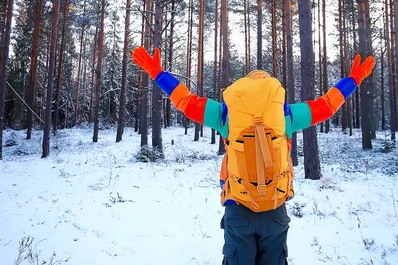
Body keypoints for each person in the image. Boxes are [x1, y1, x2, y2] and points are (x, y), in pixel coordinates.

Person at [132, 46, 375, 265]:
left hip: (238, 206)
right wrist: (353, 79)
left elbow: (184, 100)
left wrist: (157, 72)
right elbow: (327, 105)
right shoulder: (286, 115)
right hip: (275, 207)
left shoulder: (226, 115)